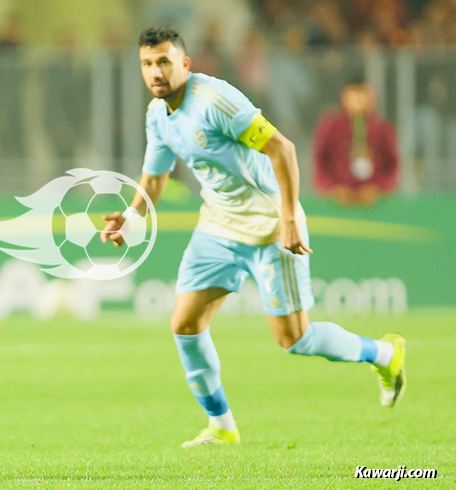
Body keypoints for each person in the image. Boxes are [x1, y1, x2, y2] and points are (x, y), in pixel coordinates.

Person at [101, 26, 406, 447]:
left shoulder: (216, 102)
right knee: (185, 324)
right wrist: (132, 218)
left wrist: (289, 217)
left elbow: (283, 149)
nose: (156, 72)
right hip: (218, 225)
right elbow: (154, 178)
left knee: (294, 339)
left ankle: (385, 355)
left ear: (185, 64)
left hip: (269, 223)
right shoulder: (157, 115)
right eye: (148, 64)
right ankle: (222, 426)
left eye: (164, 62)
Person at [312, 76, 399, 206]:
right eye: (354, 94)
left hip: (375, 202)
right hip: (337, 201)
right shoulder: (330, 125)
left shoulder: (382, 128)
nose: (358, 100)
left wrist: (379, 188)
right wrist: (332, 188)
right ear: (344, 96)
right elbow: (320, 159)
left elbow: (392, 163)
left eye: (363, 94)